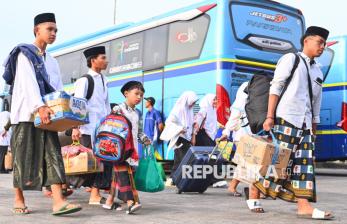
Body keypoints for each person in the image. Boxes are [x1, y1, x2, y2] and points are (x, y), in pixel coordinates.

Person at [2, 12, 81, 215]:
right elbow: (27, 84)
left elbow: (58, 89)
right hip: (26, 116)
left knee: (53, 155)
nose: (53, 33)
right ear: (37, 30)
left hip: (49, 117)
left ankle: (58, 201)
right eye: (49, 29)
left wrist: (69, 114)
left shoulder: (52, 61)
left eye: (55, 30)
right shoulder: (24, 54)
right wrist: (39, 107)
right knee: (22, 157)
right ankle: (19, 198)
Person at [259, 26, 334, 219]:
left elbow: (316, 100)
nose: (322, 47)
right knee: (277, 162)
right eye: (319, 42)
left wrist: (314, 125)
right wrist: (269, 117)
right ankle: (253, 192)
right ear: (306, 41)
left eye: (324, 44)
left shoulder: (317, 70)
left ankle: (303, 206)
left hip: (306, 123)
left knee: (304, 164)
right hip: (287, 118)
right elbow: (276, 87)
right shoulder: (291, 59)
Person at [70, 46, 113, 205]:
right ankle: (61, 185)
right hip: (87, 128)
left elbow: (105, 105)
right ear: (93, 60)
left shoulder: (104, 80)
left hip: (102, 128)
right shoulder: (84, 81)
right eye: (103, 57)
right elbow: (78, 104)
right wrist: (75, 127)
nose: (106, 60)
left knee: (102, 162)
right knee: (84, 164)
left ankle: (94, 195)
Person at [104, 81, 151, 214]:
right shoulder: (118, 109)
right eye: (136, 94)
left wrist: (145, 139)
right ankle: (131, 202)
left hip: (133, 150)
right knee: (124, 174)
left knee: (120, 174)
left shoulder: (138, 113)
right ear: (126, 93)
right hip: (118, 149)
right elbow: (111, 128)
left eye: (141, 95)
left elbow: (139, 131)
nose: (139, 97)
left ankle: (109, 201)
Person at [219, 82, 251, 197]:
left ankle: (234, 186)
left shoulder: (252, 101)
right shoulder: (240, 103)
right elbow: (234, 117)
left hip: (250, 136)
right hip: (242, 136)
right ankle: (234, 186)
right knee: (246, 163)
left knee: (247, 163)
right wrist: (226, 132)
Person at [164, 91, 198, 178]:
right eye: (192, 102)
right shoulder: (178, 109)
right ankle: (179, 179)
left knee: (180, 159)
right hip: (179, 137)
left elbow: (192, 124)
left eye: (195, 102)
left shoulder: (189, 110)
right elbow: (169, 122)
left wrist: (193, 136)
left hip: (187, 138)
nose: (193, 104)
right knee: (183, 159)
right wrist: (179, 129)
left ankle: (174, 178)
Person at [0, 99, 11, 173]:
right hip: (4, 135)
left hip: (2, 134)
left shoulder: (1, 114)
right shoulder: (9, 114)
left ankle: (3, 168)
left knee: (2, 153)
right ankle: (1, 169)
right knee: (2, 153)